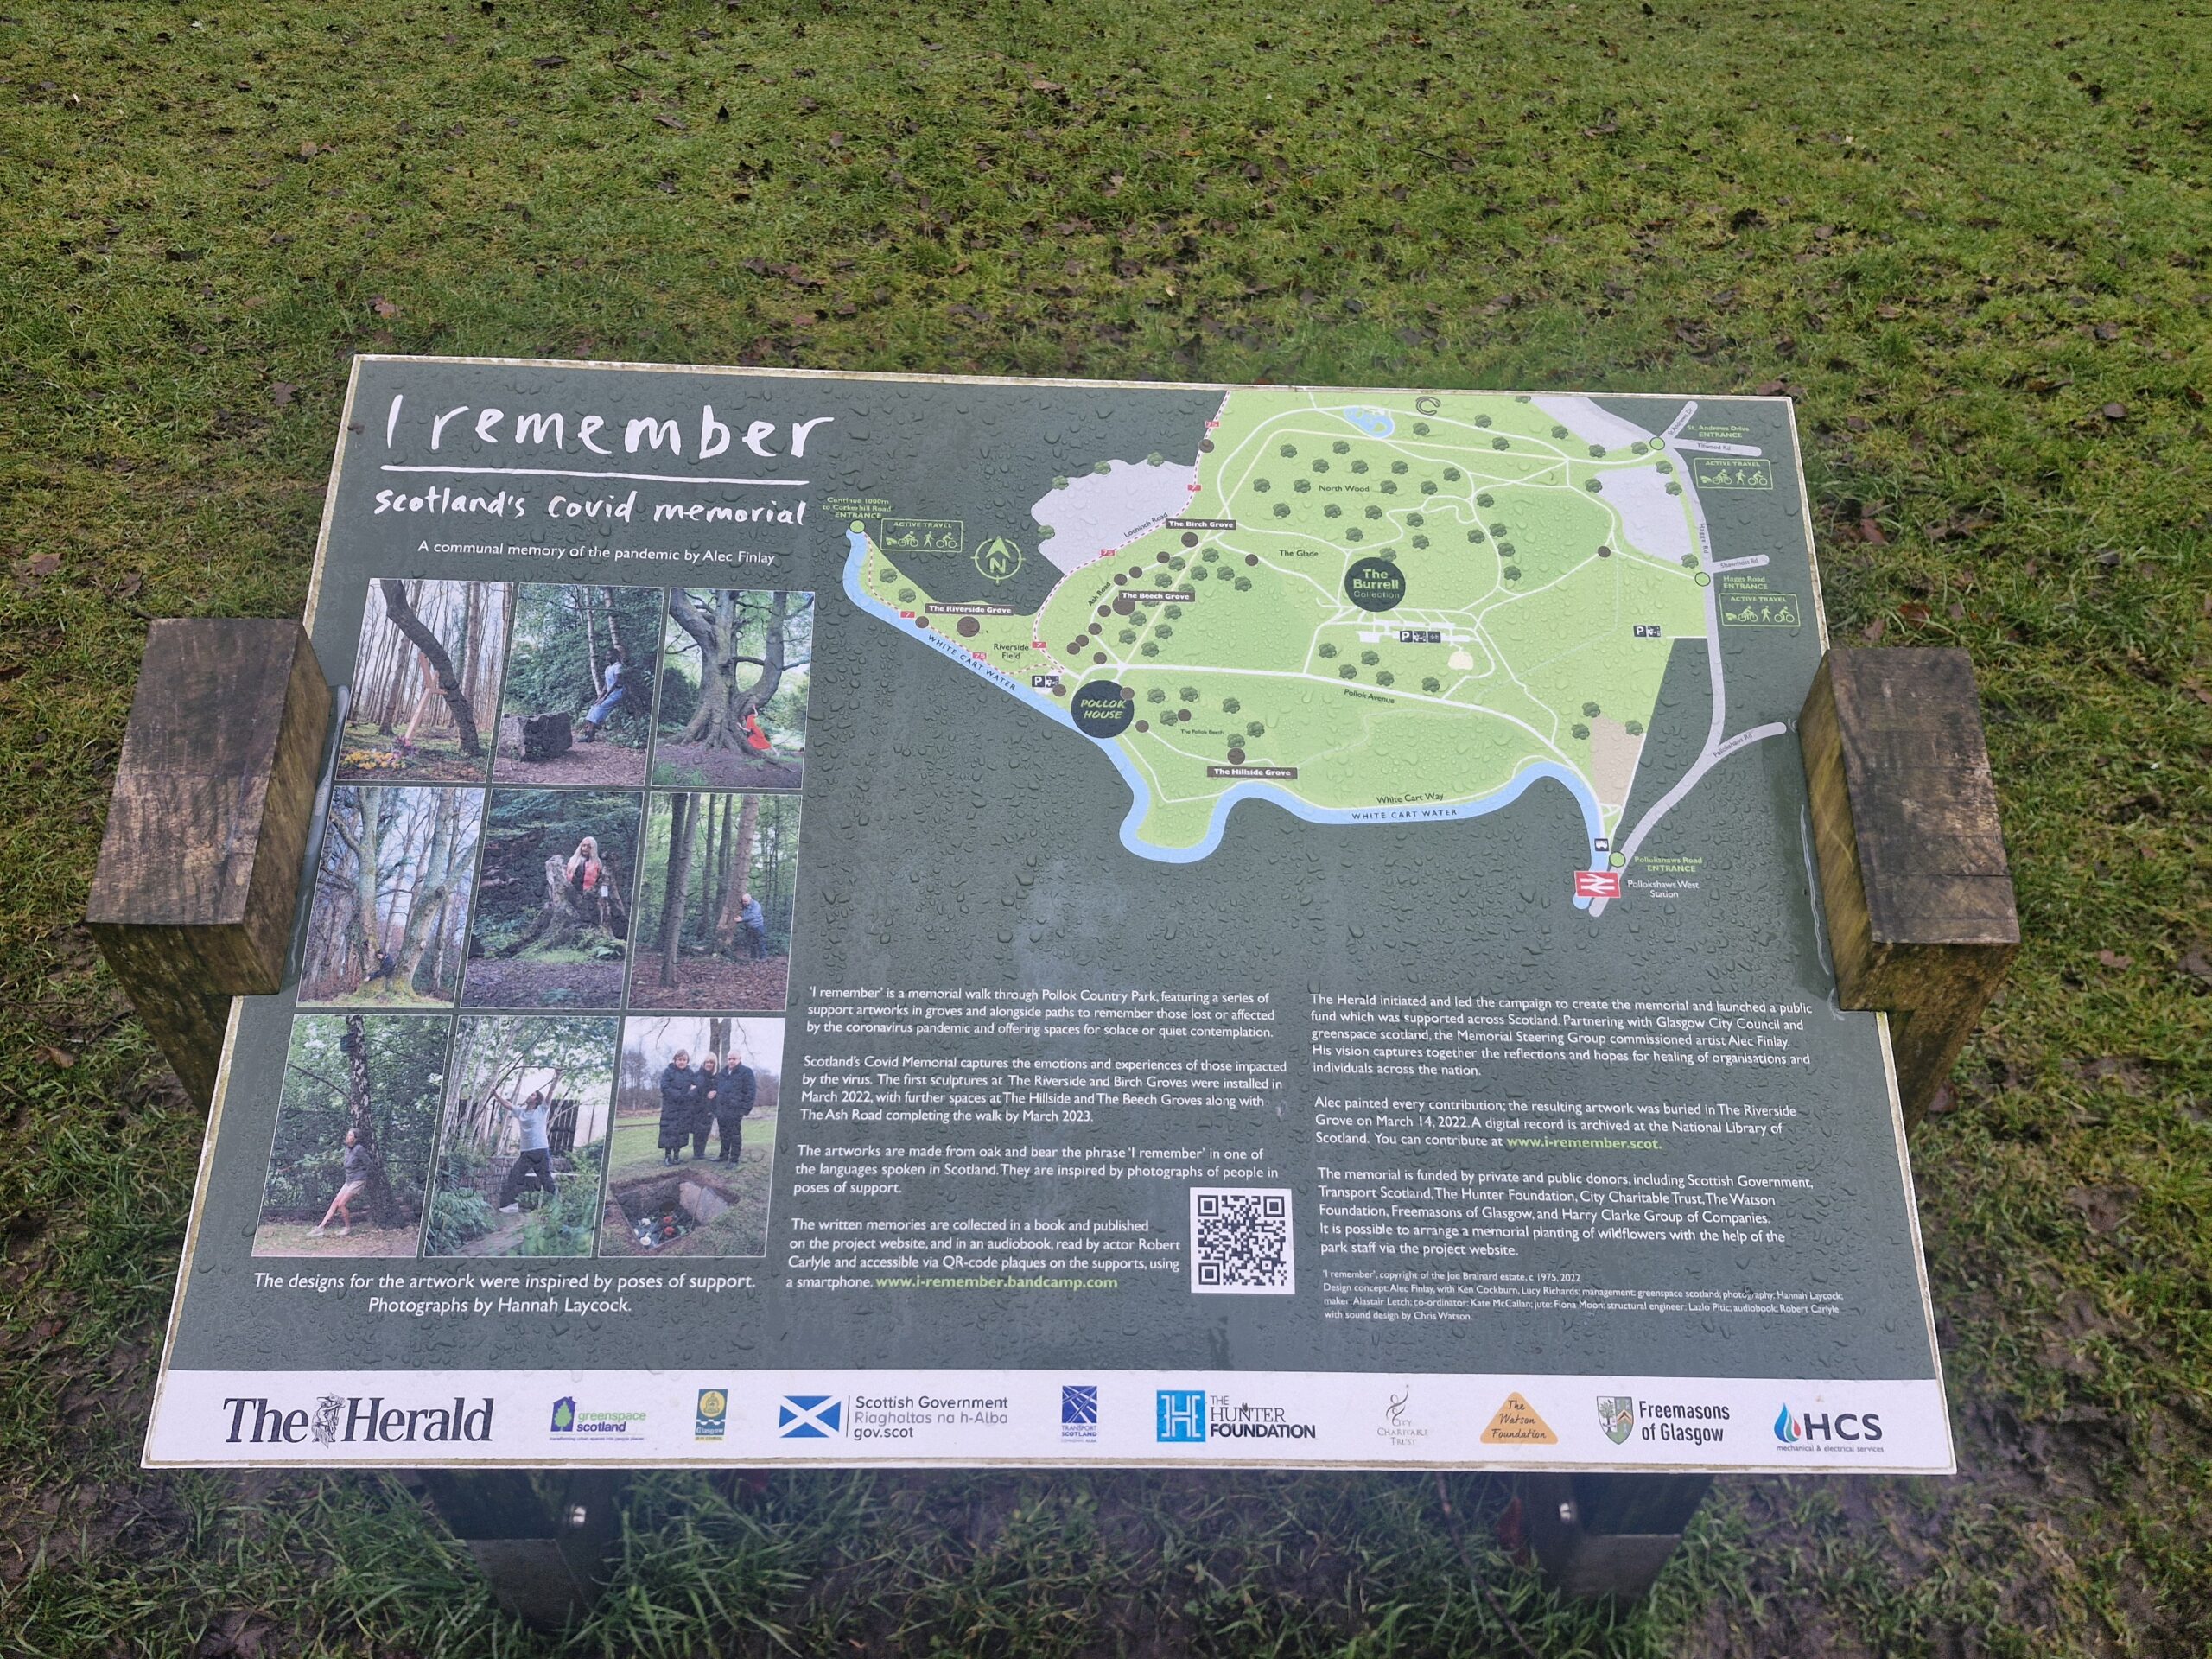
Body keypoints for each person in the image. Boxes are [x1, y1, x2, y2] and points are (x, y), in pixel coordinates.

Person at [497, 1090, 556, 1212]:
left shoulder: (541, 1110)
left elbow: (549, 1096)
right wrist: (495, 1094)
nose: (529, 1095)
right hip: (526, 1152)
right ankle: (511, 1205)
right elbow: (507, 1104)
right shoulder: (521, 1112)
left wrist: (556, 1080)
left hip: (540, 1150)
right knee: (515, 1176)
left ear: (537, 1100)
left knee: (545, 1179)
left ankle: (556, 1206)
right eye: (531, 1094)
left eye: (533, 1095)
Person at [308, 1128, 372, 1237]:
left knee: (342, 1204)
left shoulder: (359, 1149)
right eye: (347, 1135)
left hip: (358, 1180)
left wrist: (362, 1174)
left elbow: (369, 1164)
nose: (348, 1137)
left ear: (356, 1138)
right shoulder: (347, 1150)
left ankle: (347, 1228)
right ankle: (321, 1228)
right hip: (349, 1180)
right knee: (335, 1202)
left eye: (350, 1135)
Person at [576, 646, 628, 742]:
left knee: (599, 708)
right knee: (594, 707)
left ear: (615, 656)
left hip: (618, 693)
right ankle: (589, 734)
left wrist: (605, 698)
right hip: (610, 693)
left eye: (610, 655)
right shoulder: (608, 668)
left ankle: (591, 734)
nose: (607, 657)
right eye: (607, 655)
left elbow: (616, 683)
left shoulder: (618, 667)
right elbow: (606, 685)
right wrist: (600, 697)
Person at [658, 1049, 697, 1166]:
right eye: (680, 1059)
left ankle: (677, 1156)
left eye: (684, 1060)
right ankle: (667, 1156)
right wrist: (679, 1095)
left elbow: (695, 1087)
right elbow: (665, 1087)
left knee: (681, 1133)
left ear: (687, 1061)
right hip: (670, 1109)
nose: (682, 1062)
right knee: (669, 1132)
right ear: (675, 1060)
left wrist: (690, 1094)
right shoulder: (668, 1072)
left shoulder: (690, 1073)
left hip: (684, 1109)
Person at [717, 1047, 756, 1162]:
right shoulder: (722, 1073)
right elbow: (717, 1089)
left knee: (734, 1134)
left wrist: (745, 1109)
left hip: (736, 1110)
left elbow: (751, 1092)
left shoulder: (746, 1072)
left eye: (734, 1059)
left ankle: (734, 1158)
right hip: (722, 1110)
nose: (731, 1061)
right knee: (723, 1134)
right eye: (729, 1059)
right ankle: (723, 1156)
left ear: (740, 1059)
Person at [690, 1055, 720, 1160]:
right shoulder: (697, 1076)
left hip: (710, 1109)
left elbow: (720, 1090)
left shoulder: (716, 1077)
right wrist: (702, 1092)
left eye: (711, 1062)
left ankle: (701, 1153)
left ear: (714, 1064)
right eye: (707, 1062)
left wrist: (716, 1092)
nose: (709, 1064)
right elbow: (692, 1092)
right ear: (704, 1063)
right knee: (698, 1131)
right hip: (698, 1109)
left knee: (706, 1131)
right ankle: (697, 1154)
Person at [564, 836, 603, 901]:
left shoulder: (597, 863)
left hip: (590, 894)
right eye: (584, 845)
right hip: (573, 892)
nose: (585, 848)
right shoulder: (573, 860)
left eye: (588, 846)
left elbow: (600, 879)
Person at [739, 891, 768, 961]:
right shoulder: (744, 905)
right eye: (743, 901)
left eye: (745, 901)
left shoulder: (756, 905)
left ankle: (763, 957)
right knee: (752, 942)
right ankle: (753, 957)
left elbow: (753, 916)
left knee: (760, 942)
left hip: (758, 926)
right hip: (749, 927)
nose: (744, 903)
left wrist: (741, 919)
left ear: (750, 899)